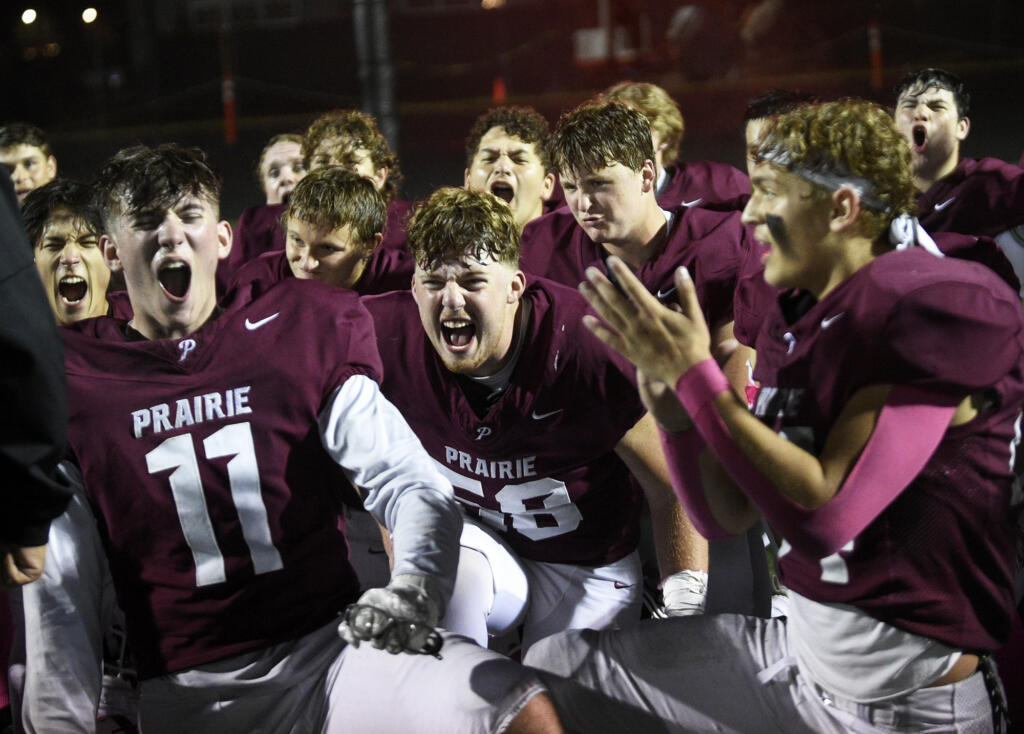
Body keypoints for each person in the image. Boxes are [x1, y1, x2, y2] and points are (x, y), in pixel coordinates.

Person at [14, 144, 563, 734]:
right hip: (183, 691)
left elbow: (405, 477)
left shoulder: (299, 323)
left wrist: (415, 591)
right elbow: (59, 598)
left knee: (511, 705)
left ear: (222, 239)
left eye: (189, 217)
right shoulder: (73, 378)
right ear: (112, 253)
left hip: (330, 653)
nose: (172, 237)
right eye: (147, 222)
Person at [525, 99, 1023, 734]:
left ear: (841, 208)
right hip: (801, 666)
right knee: (557, 667)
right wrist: (677, 421)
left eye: (769, 194)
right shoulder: (799, 316)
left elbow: (829, 518)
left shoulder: (937, 303)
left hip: (910, 706)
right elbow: (724, 515)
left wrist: (698, 379)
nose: (751, 214)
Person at [363, 187, 708, 652]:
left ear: (514, 287)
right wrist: (406, 561)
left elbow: (670, 485)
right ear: (412, 288)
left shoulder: (588, 346)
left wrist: (685, 606)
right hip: (474, 545)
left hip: (583, 565)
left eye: (471, 280)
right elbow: (380, 469)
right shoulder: (382, 337)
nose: (450, 300)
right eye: (434, 282)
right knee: (440, 596)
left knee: (563, 695)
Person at [893, 68, 1024, 287]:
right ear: (892, 125)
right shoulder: (875, 197)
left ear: (961, 128)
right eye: (909, 105)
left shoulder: (988, 182)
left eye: (937, 107)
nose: (921, 113)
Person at [228, 166, 413, 297]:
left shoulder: (409, 283)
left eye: (327, 248)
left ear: (369, 245)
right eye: (297, 241)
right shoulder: (256, 282)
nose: (307, 264)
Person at [601, 81, 750, 211]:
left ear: (666, 137)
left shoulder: (718, 183)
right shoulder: (592, 198)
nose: (621, 138)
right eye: (611, 128)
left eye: (635, 127)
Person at [303, 109, 412, 254]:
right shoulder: (287, 227)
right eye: (323, 162)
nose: (335, 172)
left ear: (379, 175)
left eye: (350, 163)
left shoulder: (411, 225)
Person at [215, 133, 307, 294]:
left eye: (298, 168)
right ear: (265, 190)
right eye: (274, 173)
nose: (286, 178)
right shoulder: (250, 226)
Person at [21, 179, 114, 325]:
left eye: (87, 243)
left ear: (111, 254)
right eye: (53, 246)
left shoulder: (147, 326)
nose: (70, 258)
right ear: (32, 260)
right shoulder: (17, 341)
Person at [464, 106, 556, 230]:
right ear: (468, 180)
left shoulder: (575, 244)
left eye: (519, 160)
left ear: (546, 185)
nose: (502, 166)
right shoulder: (441, 246)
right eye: (489, 158)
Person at [0, 123, 57, 204]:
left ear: (50, 167)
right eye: (5, 169)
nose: (19, 177)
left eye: (29, 164)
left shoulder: (78, 215)